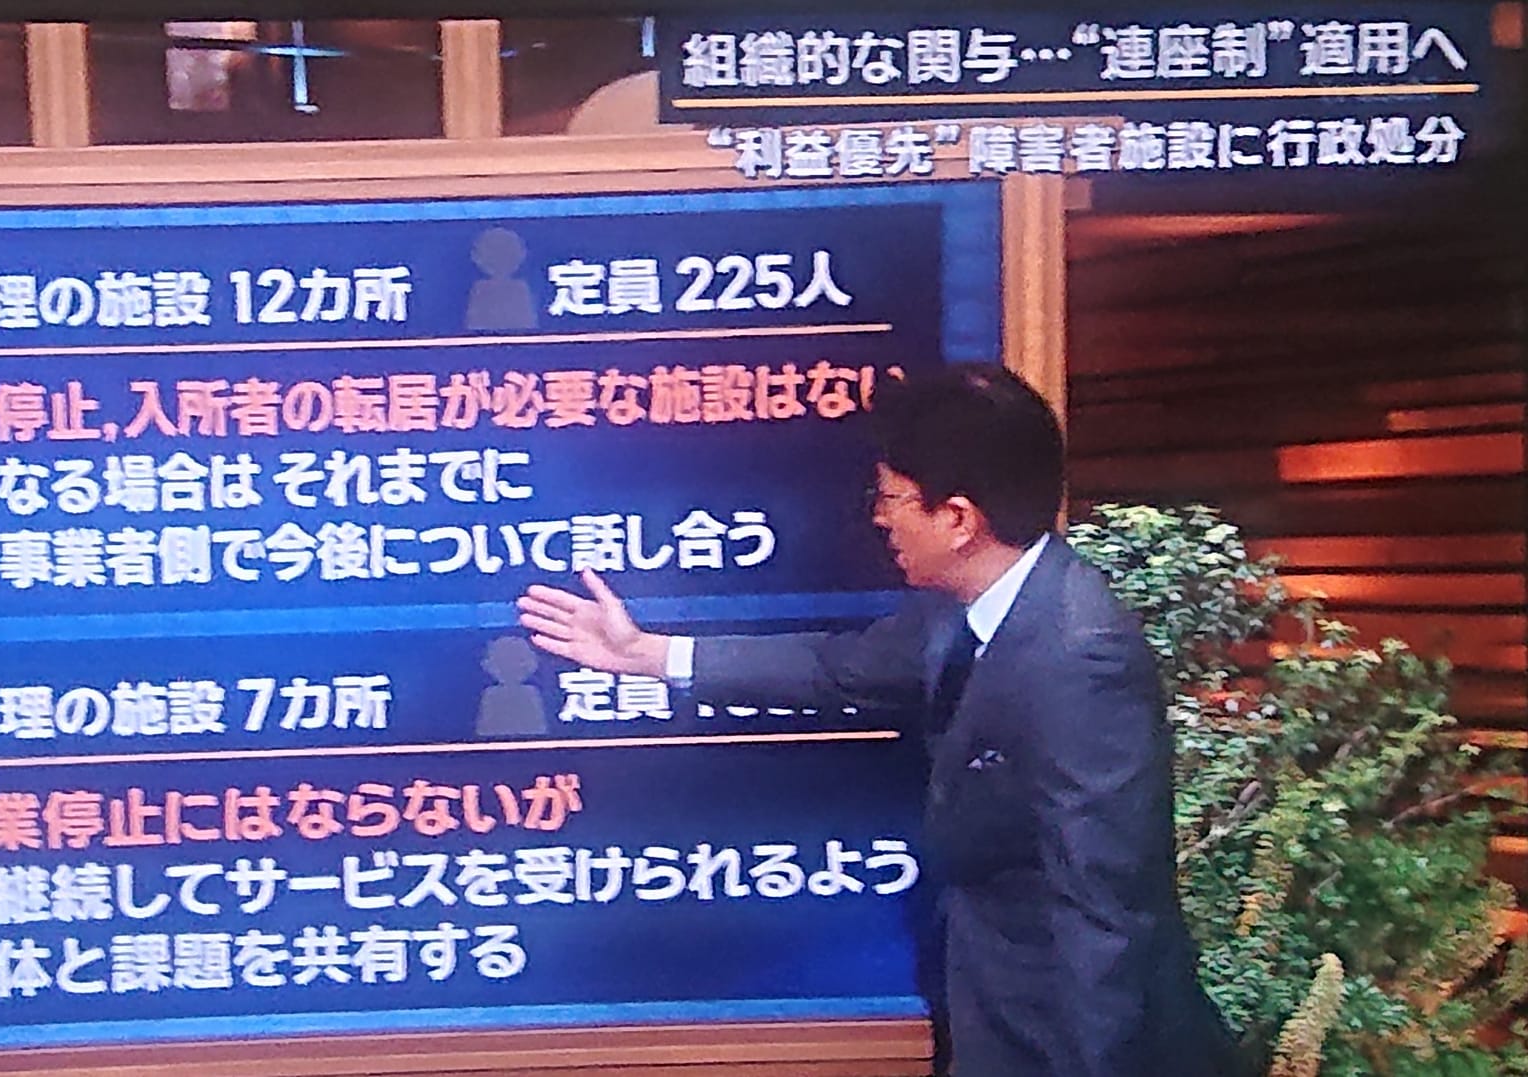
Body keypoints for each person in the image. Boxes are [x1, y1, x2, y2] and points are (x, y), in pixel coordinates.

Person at [515, 364, 1239, 1077]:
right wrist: (648, 654)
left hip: (1060, 1042)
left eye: (892, 497)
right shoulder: (959, 609)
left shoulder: (1080, 658)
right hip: (995, 1015)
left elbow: (1105, 908)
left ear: (959, 519)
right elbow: (836, 669)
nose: (879, 516)